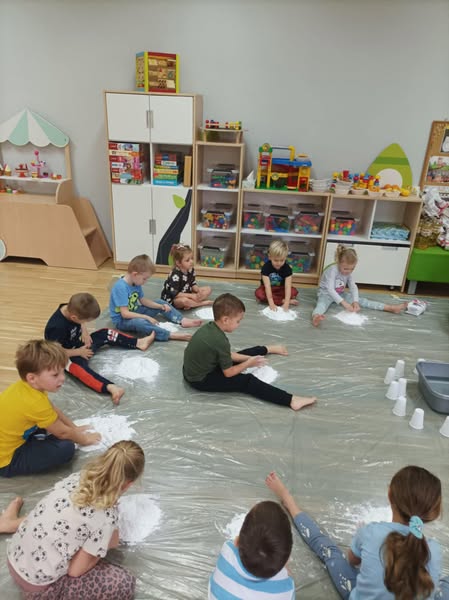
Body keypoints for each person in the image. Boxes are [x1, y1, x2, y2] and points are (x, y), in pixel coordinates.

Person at [266, 468, 449, 600]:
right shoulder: (434, 549)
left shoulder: (371, 532)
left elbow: (352, 561)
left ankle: (288, 500)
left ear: (389, 494)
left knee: (328, 550)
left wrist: (366, 545)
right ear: (433, 512)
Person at [6, 440, 143, 600]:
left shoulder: (80, 477)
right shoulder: (106, 516)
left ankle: (8, 524)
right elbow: (75, 571)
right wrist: (98, 552)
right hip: (37, 586)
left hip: (13, 556)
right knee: (125, 582)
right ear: (128, 484)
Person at [183, 293, 316, 411]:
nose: (239, 324)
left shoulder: (210, 328)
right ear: (225, 320)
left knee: (243, 354)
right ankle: (291, 400)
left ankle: (268, 349)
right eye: (238, 321)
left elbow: (229, 355)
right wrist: (248, 363)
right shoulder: (220, 340)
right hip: (200, 380)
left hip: (194, 369)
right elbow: (228, 373)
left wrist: (248, 358)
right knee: (247, 381)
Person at [0, 340, 101, 478]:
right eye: (55, 375)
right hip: (7, 460)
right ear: (32, 378)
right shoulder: (35, 402)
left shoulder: (27, 387)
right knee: (66, 447)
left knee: (57, 428)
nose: (62, 378)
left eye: (62, 372)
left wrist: (74, 428)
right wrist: (84, 439)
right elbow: (63, 433)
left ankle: (40, 439)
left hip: (12, 439)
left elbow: (52, 409)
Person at [45, 292, 155, 405]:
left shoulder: (70, 308)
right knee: (80, 369)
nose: (85, 323)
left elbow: (79, 321)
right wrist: (79, 352)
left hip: (79, 345)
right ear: (74, 317)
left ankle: (138, 343)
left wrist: (84, 331)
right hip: (65, 355)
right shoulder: (56, 327)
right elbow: (55, 352)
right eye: (85, 321)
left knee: (105, 333)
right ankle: (110, 387)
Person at [209, 500, 295, 599]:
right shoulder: (286, 590)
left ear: (236, 541)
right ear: (288, 559)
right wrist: (284, 569)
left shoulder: (227, 551)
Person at [109, 253, 201, 342]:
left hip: (135, 311)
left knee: (160, 302)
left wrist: (160, 306)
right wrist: (146, 317)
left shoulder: (135, 282)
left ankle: (181, 320)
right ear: (135, 274)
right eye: (144, 279)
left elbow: (143, 301)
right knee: (140, 322)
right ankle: (168, 335)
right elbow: (125, 314)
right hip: (122, 320)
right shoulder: (121, 287)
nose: (145, 282)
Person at [312, 244, 407, 327]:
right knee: (322, 305)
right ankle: (316, 316)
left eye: (352, 269)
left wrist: (355, 301)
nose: (348, 272)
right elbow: (330, 289)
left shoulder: (348, 272)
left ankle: (390, 308)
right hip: (326, 294)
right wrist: (344, 303)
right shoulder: (332, 270)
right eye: (345, 269)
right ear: (338, 262)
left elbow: (353, 287)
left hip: (340, 293)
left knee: (363, 301)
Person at [161, 243, 212, 309]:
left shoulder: (190, 269)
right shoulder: (175, 275)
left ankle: (192, 303)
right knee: (184, 301)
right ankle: (201, 303)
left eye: (192, 258)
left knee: (208, 289)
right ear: (178, 263)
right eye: (187, 260)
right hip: (173, 299)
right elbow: (175, 294)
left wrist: (198, 290)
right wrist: (192, 296)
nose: (191, 261)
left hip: (187, 292)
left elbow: (192, 283)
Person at [255, 240, 298, 311]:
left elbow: (287, 286)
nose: (279, 263)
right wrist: (271, 303)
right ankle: (282, 300)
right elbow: (267, 286)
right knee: (259, 294)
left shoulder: (287, 269)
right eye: (276, 260)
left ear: (285, 258)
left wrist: (287, 303)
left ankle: (283, 300)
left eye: (282, 260)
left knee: (293, 291)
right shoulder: (266, 268)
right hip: (268, 288)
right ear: (270, 257)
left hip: (281, 288)